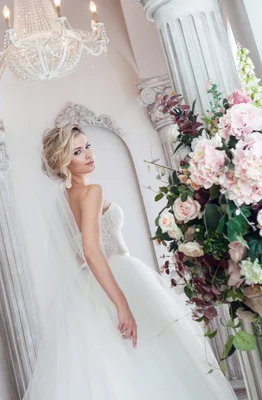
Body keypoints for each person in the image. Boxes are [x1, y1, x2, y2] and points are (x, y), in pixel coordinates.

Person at [23, 123, 237, 399]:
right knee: (156, 364)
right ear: (62, 161)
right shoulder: (92, 192)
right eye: (77, 151)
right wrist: (121, 304)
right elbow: (91, 251)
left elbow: (77, 255)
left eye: (87, 146)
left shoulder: (62, 201)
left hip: (88, 291)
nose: (88, 154)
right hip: (119, 278)